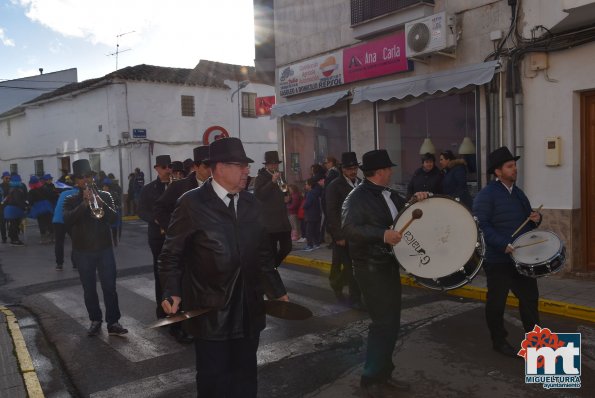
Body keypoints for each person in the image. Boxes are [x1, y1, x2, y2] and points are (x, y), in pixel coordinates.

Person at [158, 137, 288, 398]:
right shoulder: (191, 203)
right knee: (214, 381)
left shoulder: (252, 203)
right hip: (211, 313)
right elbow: (171, 255)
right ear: (218, 167)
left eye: (246, 166)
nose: (246, 171)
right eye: (240, 166)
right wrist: (172, 290)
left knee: (246, 378)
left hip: (249, 310)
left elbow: (263, 255)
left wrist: (277, 291)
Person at [342, 149, 428, 397]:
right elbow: (348, 229)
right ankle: (371, 378)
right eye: (388, 169)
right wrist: (381, 234)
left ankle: (384, 373)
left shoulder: (389, 194)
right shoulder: (356, 198)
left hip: (387, 264)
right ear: (379, 172)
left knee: (391, 322)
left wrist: (416, 200)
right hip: (370, 268)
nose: (391, 172)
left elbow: (405, 212)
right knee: (383, 323)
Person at [472, 146, 542, 358]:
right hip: (498, 259)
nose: (515, 169)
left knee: (530, 299)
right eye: (510, 166)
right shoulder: (486, 195)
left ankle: (535, 340)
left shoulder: (519, 194)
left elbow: (528, 223)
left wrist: (536, 220)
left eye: (515, 165)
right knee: (497, 302)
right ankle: (499, 340)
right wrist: (502, 244)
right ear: (498, 171)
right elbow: (481, 225)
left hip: (521, 258)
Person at [63, 159, 128, 336]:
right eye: (81, 178)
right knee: (89, 288)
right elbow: (67, 220)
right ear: (76, 181)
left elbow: (114, 219)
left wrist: (101, 202)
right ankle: (95, 319)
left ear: (92, 177)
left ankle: (113, 322)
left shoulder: (106, 196)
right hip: (82, 251)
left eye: (88, 176)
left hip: (104, 249)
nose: (85, 180)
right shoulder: (69, 199)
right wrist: (84, 204)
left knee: (110, 287)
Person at [325, 152, 363, 308]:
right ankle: (354, 299)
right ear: (342, 169)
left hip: (358, 233)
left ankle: (338, 284)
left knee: (354, 267)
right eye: (349, 168)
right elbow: (331, 212)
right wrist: (338, 235)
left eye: (355, 168)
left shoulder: (361, 183)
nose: (353, 171)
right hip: (343, 234)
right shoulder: (334, 186)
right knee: (349, 268)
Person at [154, 145, 211, 235]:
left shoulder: (221, 187)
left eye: (213, 167)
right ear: (195, 167)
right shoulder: (178, 187)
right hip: (189, 243)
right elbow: (160, 209)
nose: (210, 171)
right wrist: (174, 230)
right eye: (206, 167)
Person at [254, 151, 292, 268]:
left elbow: (285, 190)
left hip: (283, 221)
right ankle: (271, 273)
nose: (274, 166)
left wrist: (288, 197)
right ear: (266, 165)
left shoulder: (281, 176)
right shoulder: (260, 178)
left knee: (287, 247)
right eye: (271, 164)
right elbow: (259, 195)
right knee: (272, 251)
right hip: (269, 223)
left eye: (276, 164)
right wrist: (272, 182)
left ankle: (272, 268)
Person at [52, 182, 78, 271]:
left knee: (59, 242)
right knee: (76, 241)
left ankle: (59, 264)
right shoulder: (78, 194)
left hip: (57, 220)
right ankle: (75, 263)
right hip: (68, 219)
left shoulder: (63, 193)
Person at [27, 175, 54, 244]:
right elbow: (50, 195)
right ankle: (53, 237)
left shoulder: (31, 191)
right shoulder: (44, 188)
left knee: (41, 223)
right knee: (49, 221)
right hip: (47, 206)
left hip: (38, 208)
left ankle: (44, 239)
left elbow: (30, 201)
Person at [2, 174, 27, 246]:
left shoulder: (11, 188)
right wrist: (24, 207)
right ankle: (14, 240)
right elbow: (18, 200)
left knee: (13, 224)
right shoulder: (17, 190)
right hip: (14, 209)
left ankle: (13, 238)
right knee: (15, 224)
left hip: (10, 209)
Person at [302, 177, 322, 251]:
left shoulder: (310, 193)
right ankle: (316, 244)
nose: (305, 186)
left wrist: (303, 206)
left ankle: (309, 245)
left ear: (310, 185)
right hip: (316, 214)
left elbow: (308, 204)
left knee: (309, 231)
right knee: (315, 230)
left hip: (310, 215)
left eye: (306, 184)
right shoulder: (316, 192)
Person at [0, 171, 11, 243]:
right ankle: (4, 237)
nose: (8, 179)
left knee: (11, 222)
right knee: (2, 223)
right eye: (6, 178)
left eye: (9, 178)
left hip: (10, 205)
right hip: (2, 206)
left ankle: (12, 236)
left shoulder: (11, 185)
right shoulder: (0, 186)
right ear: (3, 178)